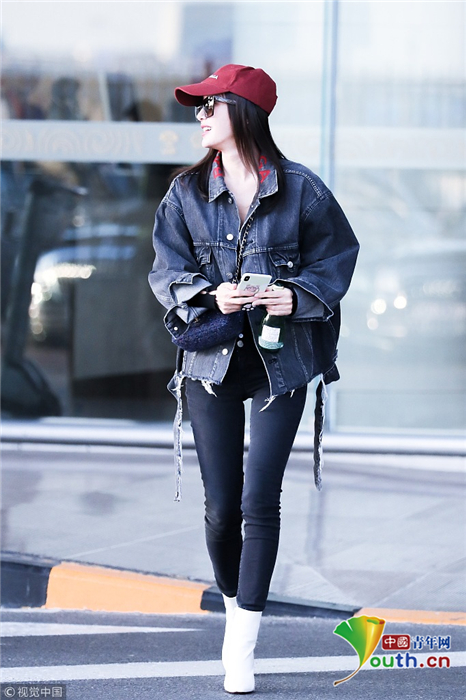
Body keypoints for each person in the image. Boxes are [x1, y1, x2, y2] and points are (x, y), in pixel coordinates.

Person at [148, 64, 359, 694]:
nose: (200, 116)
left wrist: (298, 296)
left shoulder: (302, 190)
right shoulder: (185, 193)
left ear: (243, 112)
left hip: (281, 361)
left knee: (259, 502)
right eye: (199, 107)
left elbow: (337, 259)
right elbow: (165, 272)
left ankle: (241, 645)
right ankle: (236, 602)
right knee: (221, 510)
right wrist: (211, 294)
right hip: (212, 364)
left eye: (210, 105)